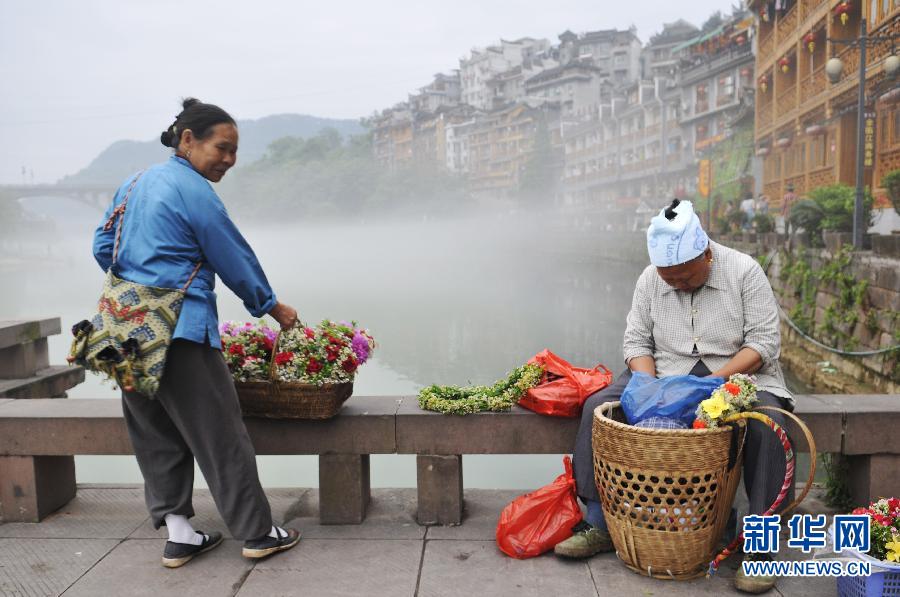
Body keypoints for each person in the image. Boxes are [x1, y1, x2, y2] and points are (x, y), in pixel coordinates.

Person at [93, 98, 302, 568]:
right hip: (178, 330)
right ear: (188, 139)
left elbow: (102, 244)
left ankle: (180, 532)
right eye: (222, 148)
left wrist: (137, 280)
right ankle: (257, 532)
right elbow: (230, 253)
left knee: (153, 430)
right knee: (219, 432)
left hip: (122, 331)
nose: (228, 160)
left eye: (234, 153)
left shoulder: (134, 183)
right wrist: (270, 306)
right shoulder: (195, 191)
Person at [554, 199, 794, 595]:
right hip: (664, 368)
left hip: (740, 372)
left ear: (707, 255)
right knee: (597, 408)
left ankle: (761, 547)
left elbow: (764, 343)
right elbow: (636, 340)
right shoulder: (651, 278)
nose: (677, 285)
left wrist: (714, 382)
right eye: (671, 280)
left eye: (685, 278)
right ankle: (598, 522)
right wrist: (649, 385)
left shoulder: (744, 272)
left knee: (769, 425)